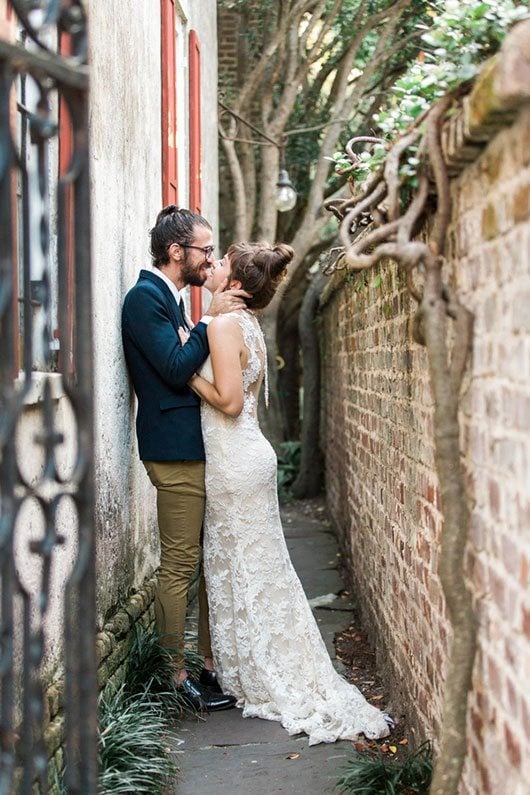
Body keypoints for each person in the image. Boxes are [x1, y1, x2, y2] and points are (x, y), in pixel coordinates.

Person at [183, 241, 392, 744]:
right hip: (247, 457)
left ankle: (261, 673)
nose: (211, 266)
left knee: (242, 566)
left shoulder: (224, 324)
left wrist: (189, 373)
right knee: (255, 568)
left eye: (221, 263)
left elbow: (231, 403)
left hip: (234, 460)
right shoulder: (245, 322)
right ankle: (251, 666)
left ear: (235, 283)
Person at [121, 205, 249, 711]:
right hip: (172, 452)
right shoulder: (143, 300)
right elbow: (175, 370)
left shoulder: (167, 298)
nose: (210, 260)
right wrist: (210, 317)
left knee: (195, 563)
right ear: (177, 252)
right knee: (178, 567)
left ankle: (201, 668)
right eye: (205, 251)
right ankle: (175, 680)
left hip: (190, 449)